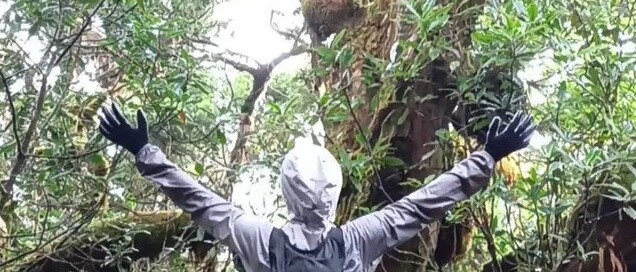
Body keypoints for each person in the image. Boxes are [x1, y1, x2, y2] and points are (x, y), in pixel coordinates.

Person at [98, 102, 536, 272]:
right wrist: (488, 156)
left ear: (286, 191)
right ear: (336, 187)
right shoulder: (360, 239)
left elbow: (199, 202)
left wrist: (144, 151)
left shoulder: (258, 240)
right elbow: (425, 204)